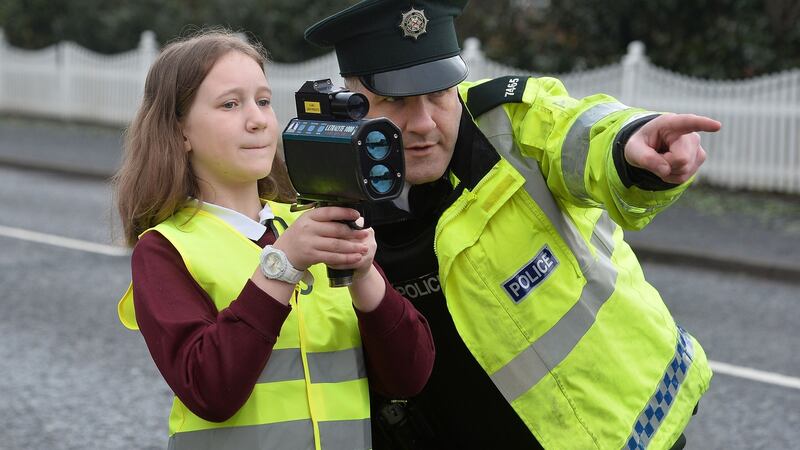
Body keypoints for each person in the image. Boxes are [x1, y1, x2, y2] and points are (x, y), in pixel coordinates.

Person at [304, 1, 721, 449]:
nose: (424, 123)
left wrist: (629, 148)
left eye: (440, 94)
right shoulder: (325, 185)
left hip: (620, 430)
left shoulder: (505, 122)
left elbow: (578, 132)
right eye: (397, 101)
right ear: (351, 104)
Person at [112, 29, 434, 450]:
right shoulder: (166, 249)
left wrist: (364, 276)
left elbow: (409, 377)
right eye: (230, 104)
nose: (258, 119)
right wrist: (281, 266)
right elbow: (210, 390)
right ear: (180, 131)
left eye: (263, 101)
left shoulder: (311, 224)